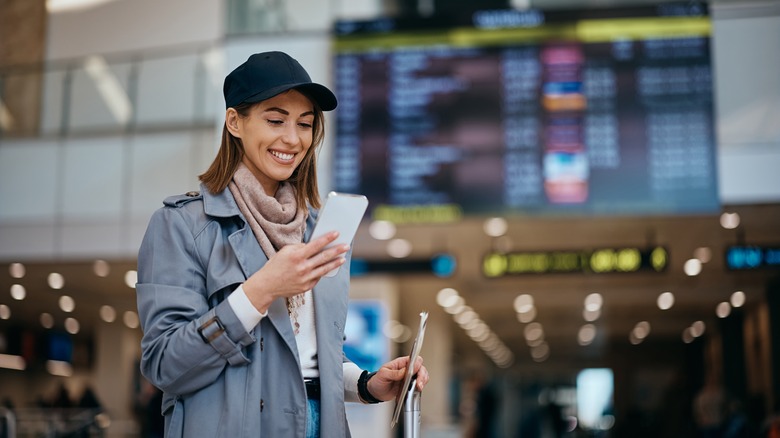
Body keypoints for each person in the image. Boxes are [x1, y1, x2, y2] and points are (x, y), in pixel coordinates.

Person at [136, 51, 429, 438]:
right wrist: (260, 290)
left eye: (305, 124)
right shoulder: (181, 225)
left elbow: (306, 356)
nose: (292, 139)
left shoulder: (315, 229)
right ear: (235, 122)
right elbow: (165, 364)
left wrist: (366, 384)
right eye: (275, 120)